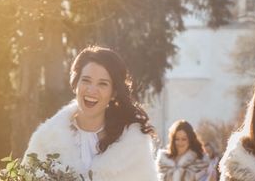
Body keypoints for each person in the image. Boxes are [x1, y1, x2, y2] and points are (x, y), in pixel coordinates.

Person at [23, 46, 158, 181]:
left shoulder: (134, 145)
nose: (92, 90)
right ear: (76, 84)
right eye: (86, 80)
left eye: (103, 84)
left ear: (114, 93)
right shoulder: (47, 140)